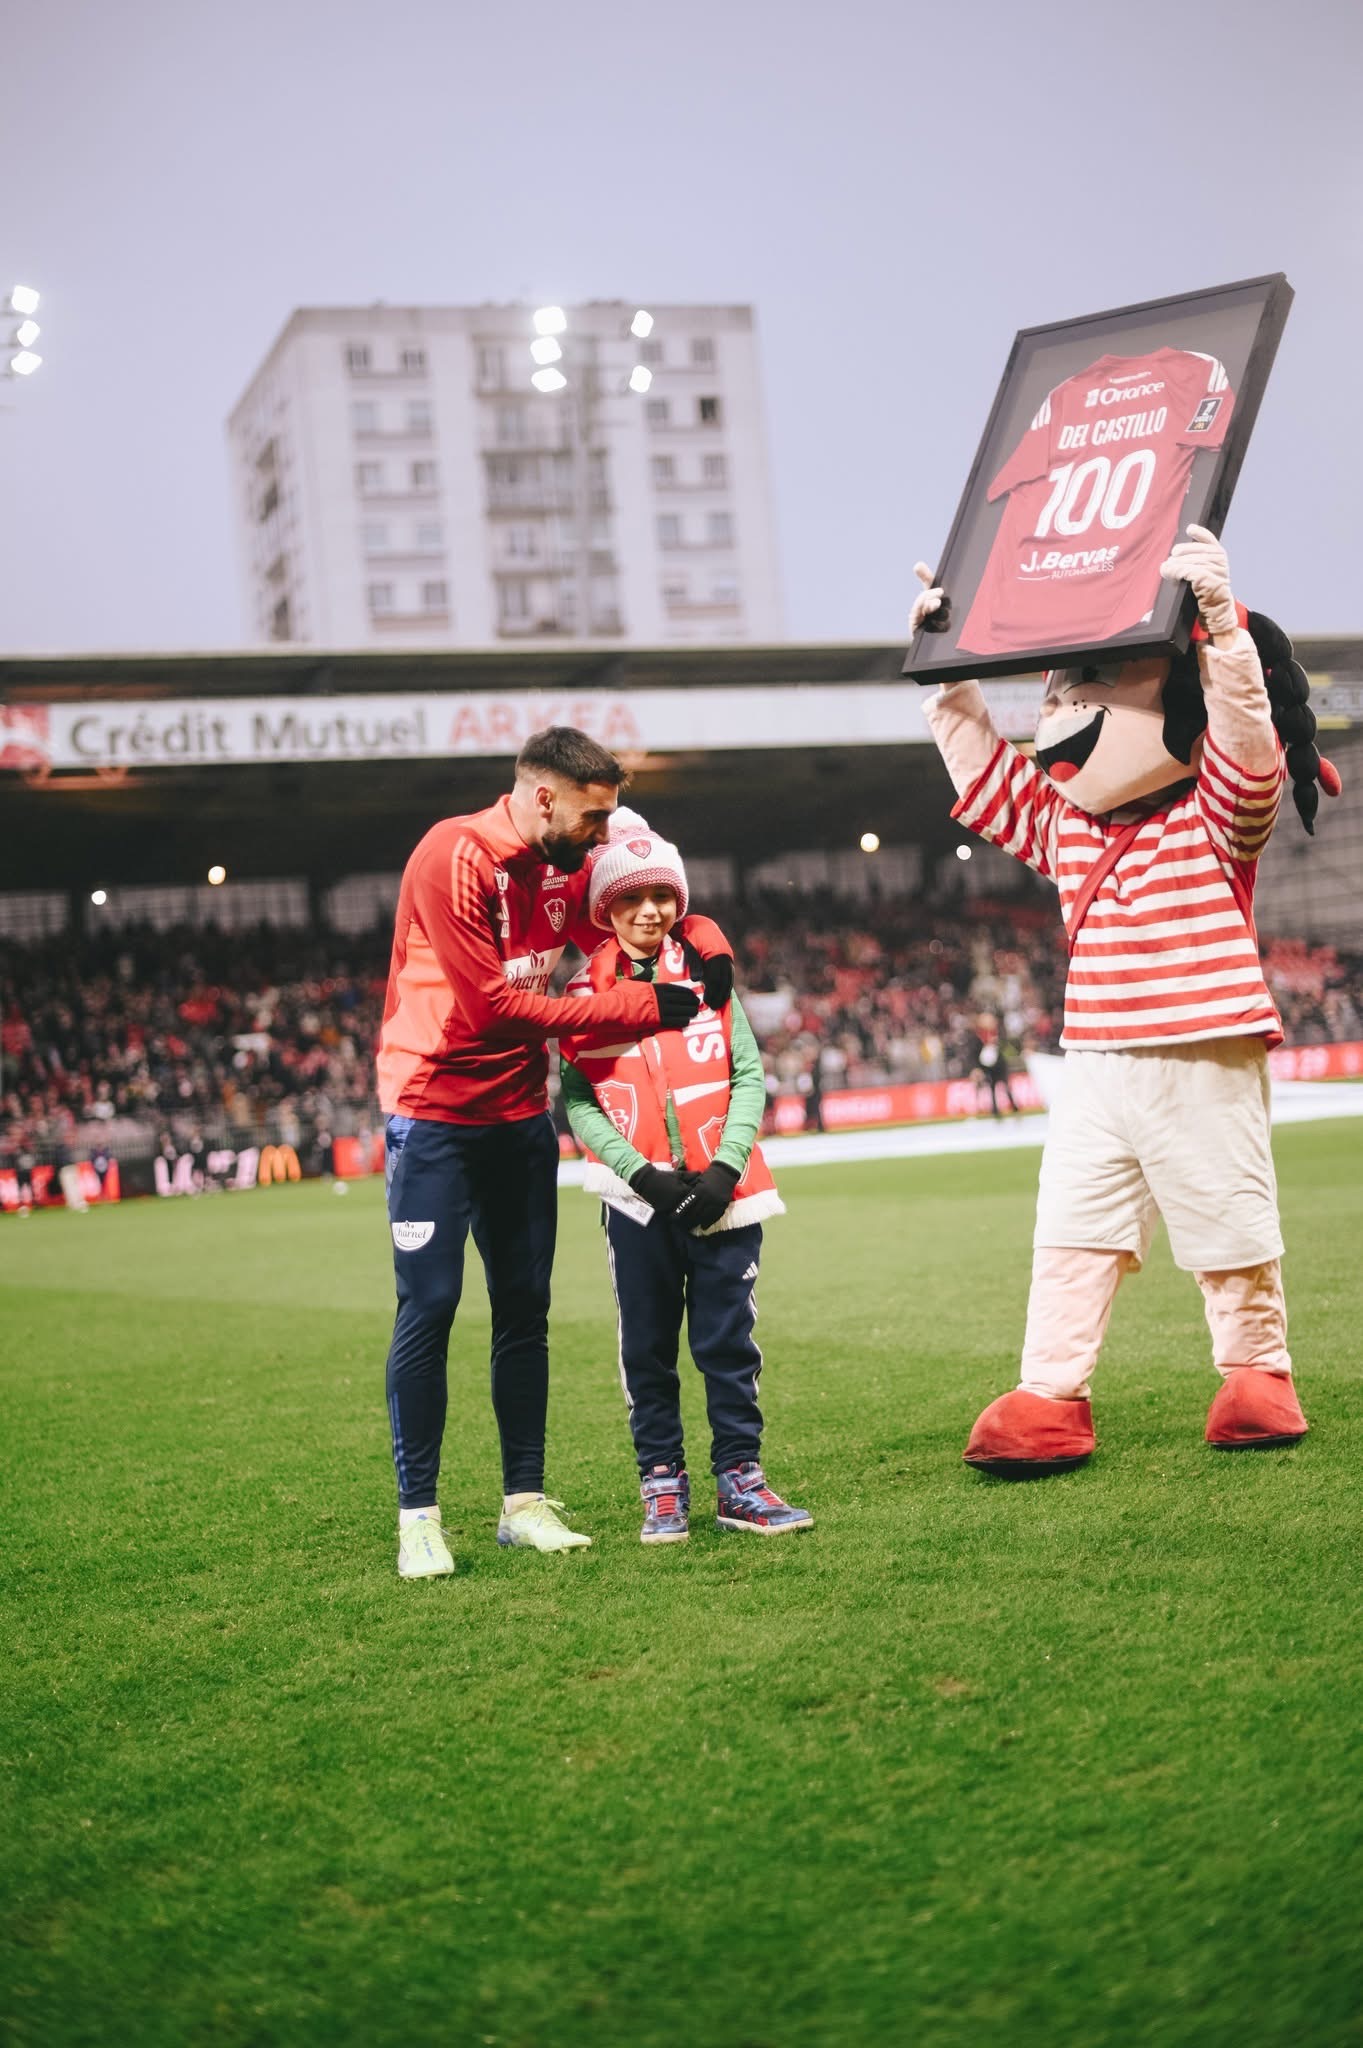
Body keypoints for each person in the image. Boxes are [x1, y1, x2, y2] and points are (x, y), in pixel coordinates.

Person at [911, 528, 1339, 1473]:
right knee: (1071, 1225)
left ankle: (1256, 1372)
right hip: (1095, 1054)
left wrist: (1221, 630)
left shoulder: (1214, 814)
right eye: (1060, 690)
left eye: (1088, 688)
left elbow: (1247, 755)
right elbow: (988, 782)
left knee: (1225, 1213)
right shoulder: (1069, 830)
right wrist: (947, 673)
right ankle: (1050, 1392)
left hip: (1202, 1040)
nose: (1061, 710)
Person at [376, 728, 734, 1578]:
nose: (601, 833)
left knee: (523, 1310)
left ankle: (522, 1505)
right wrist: (646, 1010)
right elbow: (495, 1007)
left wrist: (708, 941)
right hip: (432, 1113)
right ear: (544, 797)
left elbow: (636, 914)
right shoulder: (452, 855)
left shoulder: (566, 864)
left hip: (515, 1118)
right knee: (428, 1308)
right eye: (592, 815)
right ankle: (418, 1518)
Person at [558, 829, 812, 1543]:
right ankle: (661, 1486)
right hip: (636, 1203)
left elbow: (747, 1075)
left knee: (728, 1345)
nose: (648, 909)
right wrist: (638, 1174)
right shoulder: (582, 994)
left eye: (661, 894)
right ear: (605, 909)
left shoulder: (710, 975)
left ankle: (740, 1481)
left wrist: (728, 1165)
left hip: (726, 1193)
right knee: (646, 1348)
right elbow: (576, 1100)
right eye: (630, 897)